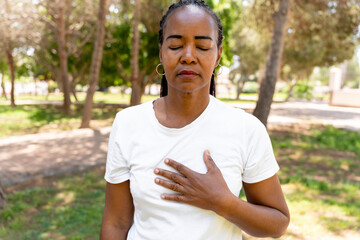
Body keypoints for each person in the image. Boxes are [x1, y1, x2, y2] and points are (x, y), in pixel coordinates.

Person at [100, 0, 290, 239]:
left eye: (202, 46)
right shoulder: (128, 124)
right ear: (161, 52)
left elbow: (277, 224)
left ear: (218, 54)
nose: (188, 56)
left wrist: (223, 203)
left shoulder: (246, 129)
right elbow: (116, 224)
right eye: (176, 45)